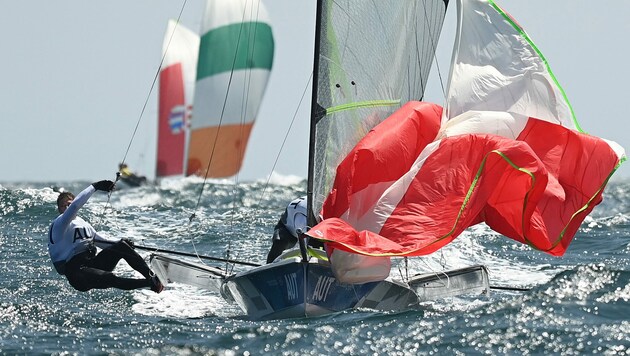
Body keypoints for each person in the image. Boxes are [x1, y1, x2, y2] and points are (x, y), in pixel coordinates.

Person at [48, 180, 163, 293]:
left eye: (69, 204)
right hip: (76, 273)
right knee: (110, 278)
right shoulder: (59, 224)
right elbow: (75, 206)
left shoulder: (83, 224)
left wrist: (122, 243)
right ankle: (150, 285)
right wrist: (95, 186)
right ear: (59, 210)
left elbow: (102, 243)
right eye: (63, 206)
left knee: (121, 246)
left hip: (93, 264)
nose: (67, 208)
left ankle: (152, 278)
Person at [266, 196, 323, 263]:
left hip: (314, 223)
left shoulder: (323, 213)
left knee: (322, 245)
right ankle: (269, 266)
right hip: (287, 228)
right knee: (279, 241)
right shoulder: (303, 221)